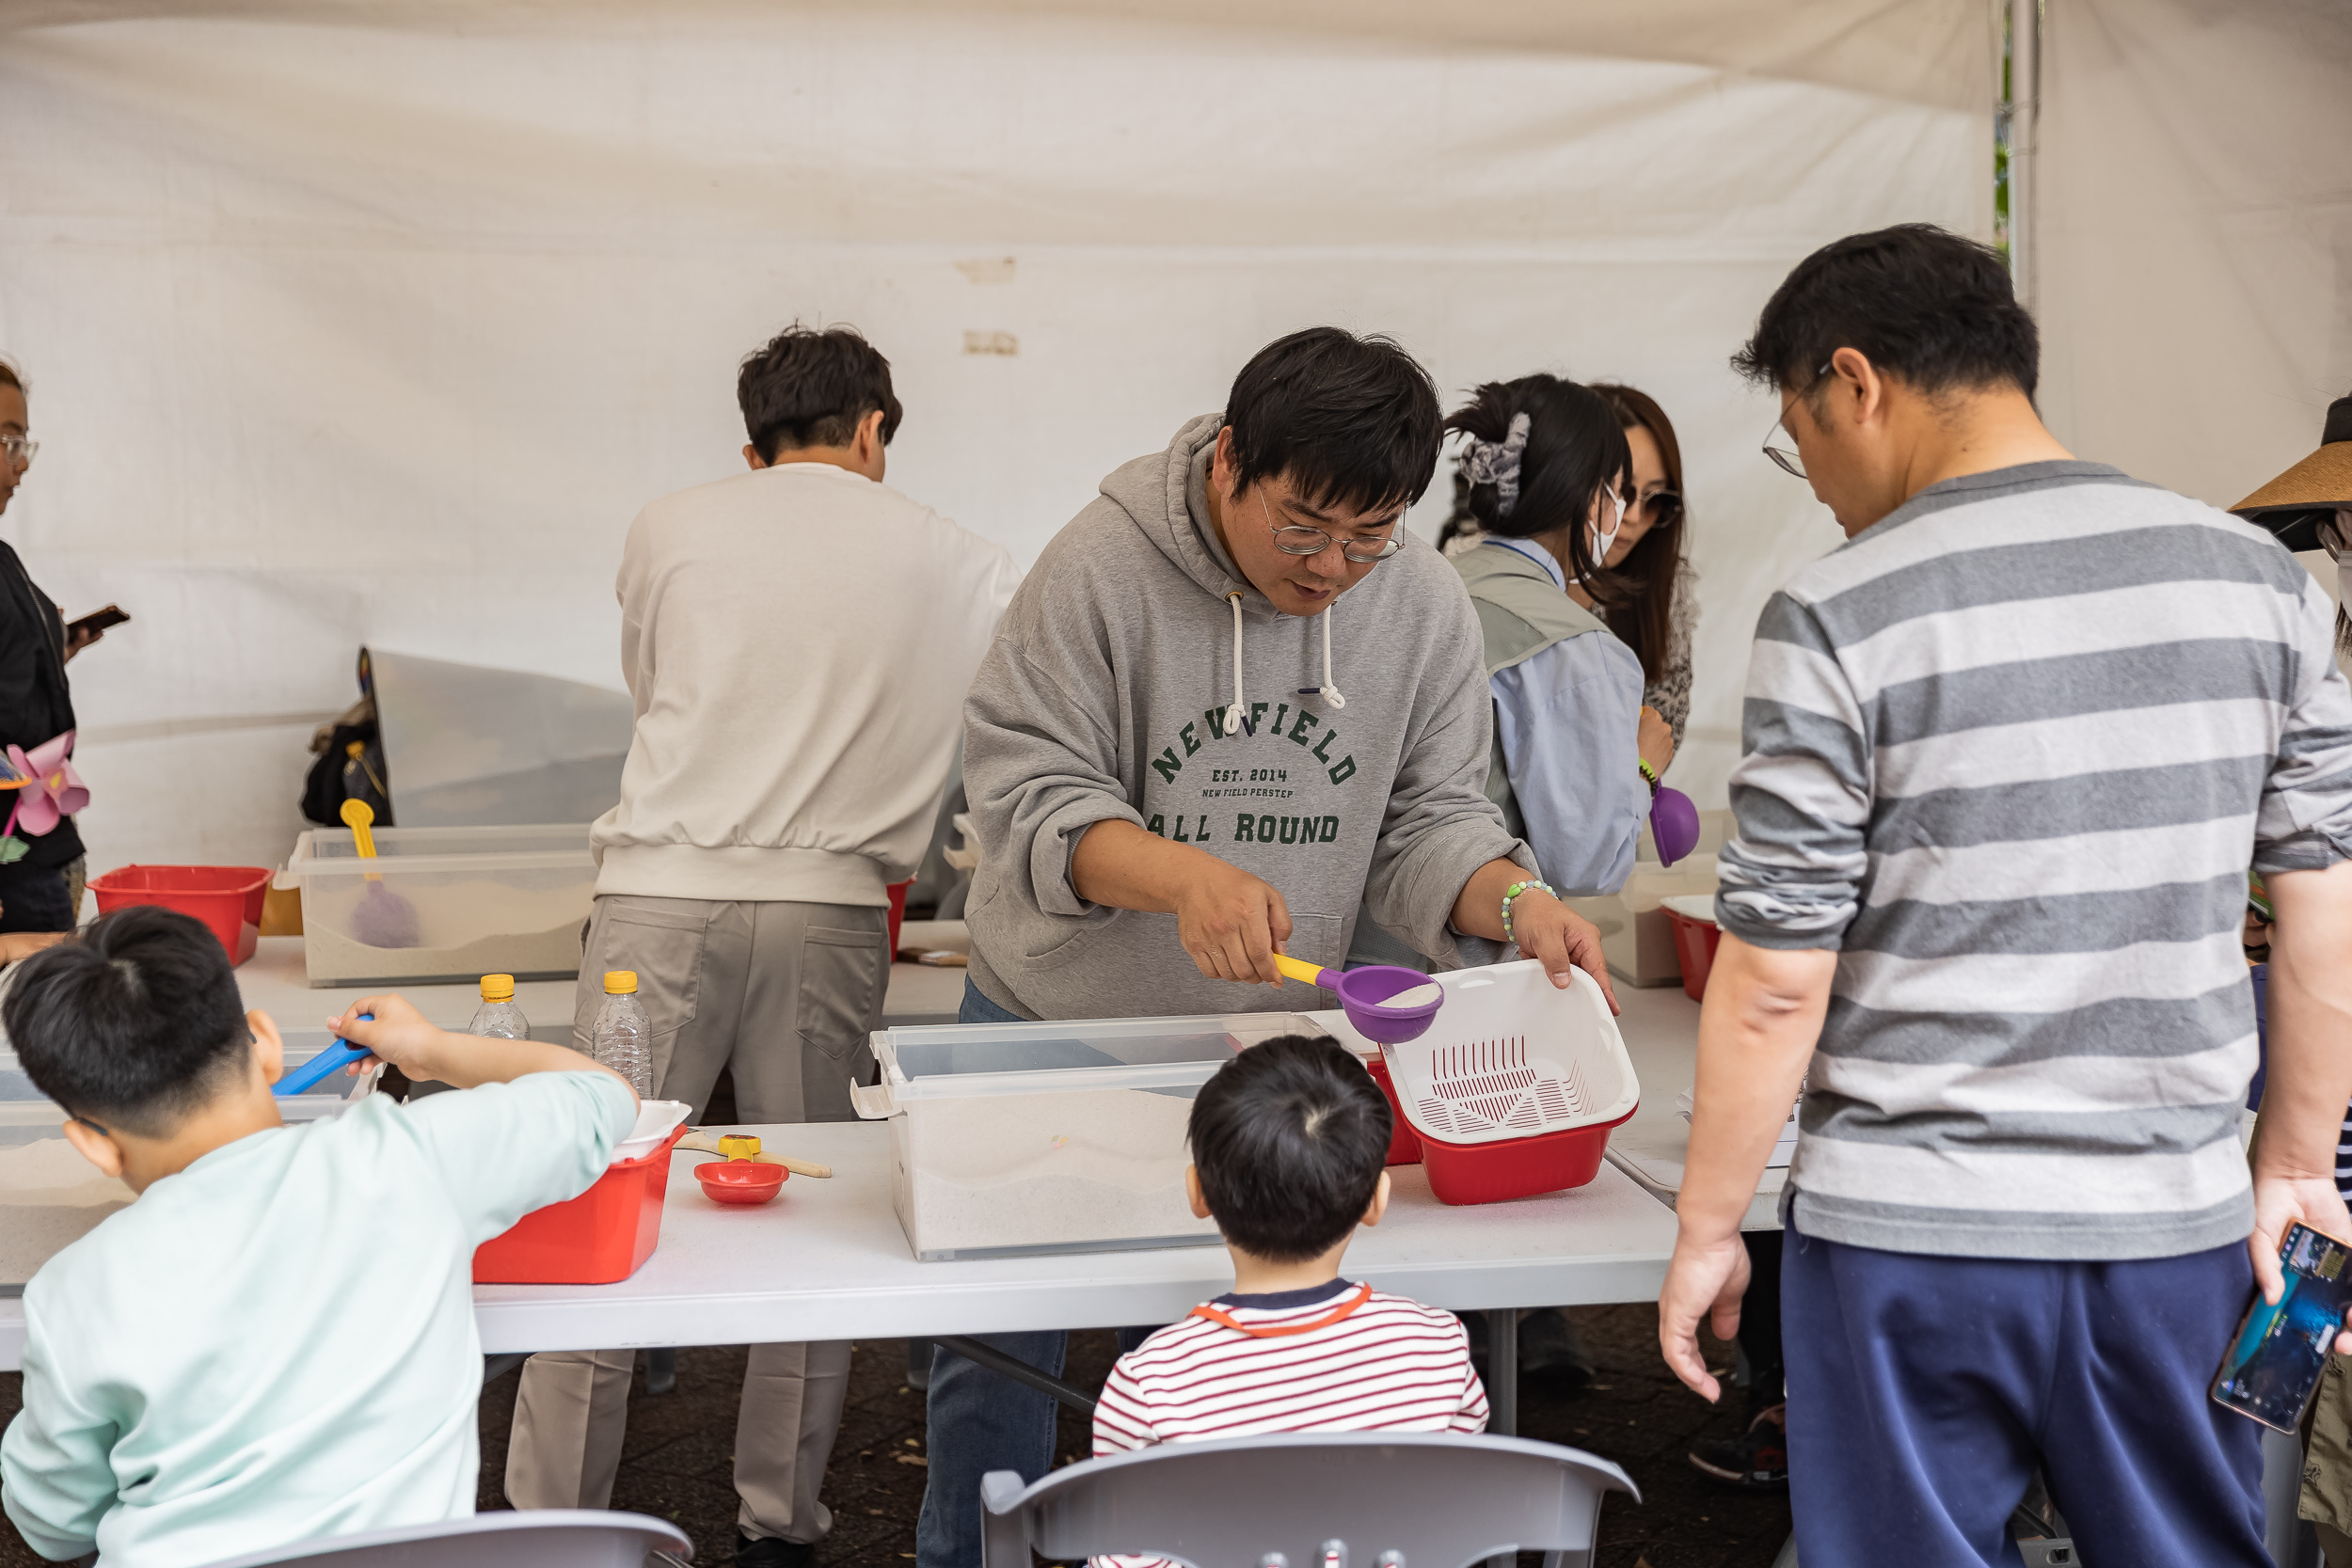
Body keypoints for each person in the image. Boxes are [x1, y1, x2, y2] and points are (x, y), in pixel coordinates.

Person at [1657, 223, 2352, 1566]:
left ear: (1854, 381)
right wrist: (2293, 1166)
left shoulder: (1840, 610)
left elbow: (1776, 974)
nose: (1818, 484)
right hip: (2171, 1226)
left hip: (1905, 1240)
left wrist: (1705, 1230)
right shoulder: (2260, 583)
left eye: (1801, 436)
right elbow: (2321, 910)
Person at [927, 325, 1614, 1568]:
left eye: (1371, 534)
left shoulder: (1422, 605)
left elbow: (1434, 818)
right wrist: (1178, 871)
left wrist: (1518, 901)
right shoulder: (1095, 570)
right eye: (1304, 527)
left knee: (1217, 1359)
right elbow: (1028, 798)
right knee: (997, 1357)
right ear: (1231, 459)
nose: (1335, 567)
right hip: (1053, 1026)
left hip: (1262, 1053)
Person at [504, 325, 1019, 1568]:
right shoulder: (966, 558)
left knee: (597, 1199)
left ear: (753, 445)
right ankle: (780, 1517)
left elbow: (656, 683)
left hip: (656, 895)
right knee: (812, 1217)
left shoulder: (669, 524)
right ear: (874, 428)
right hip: (834, 905)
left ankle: (555, 1524)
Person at [0, 906, 638, 1565]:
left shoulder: (73, 1292)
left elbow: (53, 1524)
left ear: (92, 1144)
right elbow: (602, 1093)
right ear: (266, 1043)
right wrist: (428, 1048)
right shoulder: (412, 1159)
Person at [1089, 1034, 1486, 1567]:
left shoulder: (1150, 1381)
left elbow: (1127, 1560)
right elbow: (1451, 1510)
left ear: (1197, 1193)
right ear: (1376, 1200)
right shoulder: (1436, 1346)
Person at [1445, 375, 1672, 896]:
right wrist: (1642, 769)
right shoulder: (1578, 647)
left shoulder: (1431, 585)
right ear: (1595, 499)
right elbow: (1586, 866)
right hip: (1468, 958)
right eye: (1619, 490)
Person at [1438, 381, 1697, 748]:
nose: (1634, 515)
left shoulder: (1666, 592)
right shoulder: (1455, 574)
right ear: (1566, 480)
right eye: (1620, 492)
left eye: (1658, 500)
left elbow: (1666, 730)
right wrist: (1636, 771)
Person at [0, 357, 103, 941]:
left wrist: (53, 653)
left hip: (39, 850)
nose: (21, 465)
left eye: (23, 443)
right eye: (8, 440)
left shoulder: (3, 558)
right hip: (13, 878)